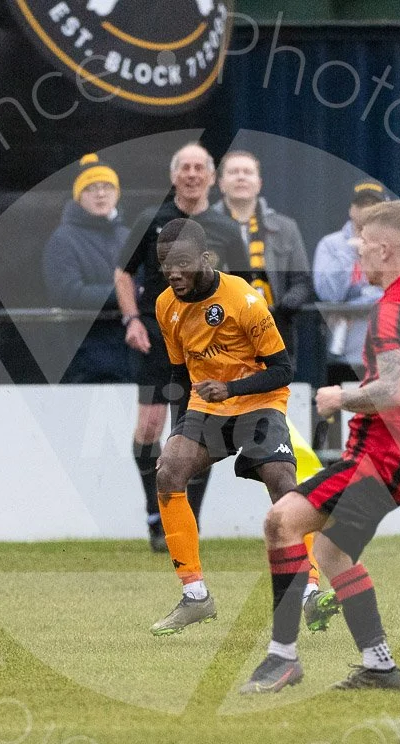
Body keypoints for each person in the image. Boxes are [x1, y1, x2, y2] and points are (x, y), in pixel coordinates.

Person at [240, 200, 400, 693]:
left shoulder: (393, 307)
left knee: (280, 521)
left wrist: (339, 396)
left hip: (374, 459)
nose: (358, 259)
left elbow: (391, 390)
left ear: (386, 249)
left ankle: (282, 657)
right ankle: (381, 665)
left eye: (364, 247)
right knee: (329, 551)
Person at [146, 218, 336, 635]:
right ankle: (195, 595)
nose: (173, 273)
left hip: (259, 403)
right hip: (206, 407)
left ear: (204, 258)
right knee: (168, 472)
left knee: (283, 483)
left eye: (181, 263)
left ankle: (309, 592)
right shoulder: (165, 306)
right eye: (165, 265)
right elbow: (179, 374)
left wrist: (231, 387)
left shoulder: (244, 299)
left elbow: (283, 369)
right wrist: (181, 432)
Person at [114, 143, 250, 552]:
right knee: (149, 429)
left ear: (210, 177)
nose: (192, 174)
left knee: (200, 436)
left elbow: (243, 287)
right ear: (174, 176)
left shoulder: (225, 228)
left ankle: (189, 521)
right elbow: (123, 273)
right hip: (157, 341)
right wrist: (132, 318)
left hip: (209, 348)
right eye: (184, 167)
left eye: (199, 167)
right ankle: (156, 516)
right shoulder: (150, 219)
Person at [313, 181, 400, 385]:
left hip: (392, 346)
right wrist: (350, 254)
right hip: (345, 353)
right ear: (351, 209)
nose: (367, 210)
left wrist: (355, 305)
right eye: (361, 204)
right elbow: (329, 295)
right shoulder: (331, 245)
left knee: (390, 409)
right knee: (346, 411)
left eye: (374, 205)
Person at [211, 150, 315, 363]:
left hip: (272, 333)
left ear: (258, 183)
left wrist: (285, 306)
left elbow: (302, 281)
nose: (241, 177)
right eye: (233, 172)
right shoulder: (204, 226)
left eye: (247, 172)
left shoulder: (286, 228)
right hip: (219, 335)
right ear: (221, 183)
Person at [43, 153, 132, 384]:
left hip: (130, 356)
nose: (100, 193)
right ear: (79, 196)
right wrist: (126, 293)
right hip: (83, 361)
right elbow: (69, 293)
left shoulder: (127, 236)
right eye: (91, 188)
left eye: (106, 186)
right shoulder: (63, 239)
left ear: (117, 193)